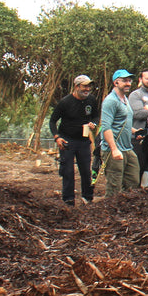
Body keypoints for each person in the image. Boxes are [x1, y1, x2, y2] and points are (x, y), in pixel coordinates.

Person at [49, 74, 98, 205]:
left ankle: (88, 197)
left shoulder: (91, 100)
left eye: (89, 86)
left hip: (83, 140)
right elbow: (53, 121)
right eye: (84, 86)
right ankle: (68, 199)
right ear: (76, 87)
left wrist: (94, 123)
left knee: (86, 171)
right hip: (67, 140)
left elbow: (96, 116)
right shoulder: (65, 102)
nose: (87, 89)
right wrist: (57, 138)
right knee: (68, 171)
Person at [98, 69, 140, 197]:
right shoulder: (111, 101)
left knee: (133, 181)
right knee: (114, 186)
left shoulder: (125, 100)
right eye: (124, 81)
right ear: (116, 82)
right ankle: (110, 214)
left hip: (127, 148)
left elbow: (122, 122)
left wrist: (134, 131)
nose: (128, 83)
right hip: (114, 149)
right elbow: (106, 126)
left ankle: (127, 210)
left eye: (129, 80)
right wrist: (114, 149)